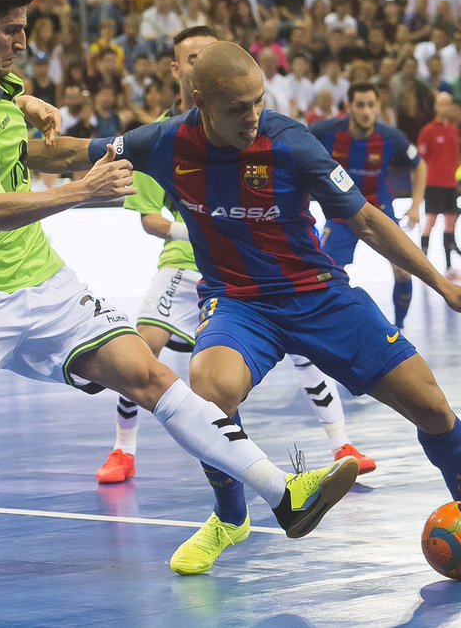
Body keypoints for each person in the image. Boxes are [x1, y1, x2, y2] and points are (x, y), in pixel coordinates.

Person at [0, 0, 358, 606]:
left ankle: (283, 496)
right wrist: (83, 191)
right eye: (11, 31)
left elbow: (13, 137)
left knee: (151, 376)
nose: (23, 42)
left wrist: (37, 110)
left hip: (45, 282)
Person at [75, 41, 461, 576]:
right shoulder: (166, 142)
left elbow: (366, 220)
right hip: (239, 303)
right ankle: (229, 518)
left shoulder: (291, 143)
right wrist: (9, 132)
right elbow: (72, 152)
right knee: (208, 391)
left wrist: (441, 285)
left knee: (433, 407)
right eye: (239, 107)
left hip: (318, 294)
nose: (253, 115)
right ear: (201, 101)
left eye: (259, 101)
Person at [94, 26, 376, 486]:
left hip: (251, 269)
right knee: (142, 347)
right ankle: (123, 450)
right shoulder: (157, 138)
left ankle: (342, 444)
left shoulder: (254, 127)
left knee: (303, 352)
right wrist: (205, 225)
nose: (201, 61)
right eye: (192, 58)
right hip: (184, 263)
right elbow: (149, 219)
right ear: (180, 71)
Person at [309, 82, 425, 329]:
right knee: (327, 275)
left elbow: (420, 165)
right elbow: (294, 151)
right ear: (348, 106)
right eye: (360, 105)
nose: (366, 111)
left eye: (371, 105)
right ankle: (330, 329)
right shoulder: (325, 132)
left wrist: (416, 205)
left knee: (403, 270)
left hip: (380, 210)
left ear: (378, 107)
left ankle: (399, 328)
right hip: (341, 213)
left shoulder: (391, 137)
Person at [417, 92, 461, 277]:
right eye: (443, 103)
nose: (446, 107)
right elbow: (421, 160)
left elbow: (456, 156)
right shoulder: (428, 131)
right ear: (436, 106)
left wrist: (456, 177)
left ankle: (449, 267)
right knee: (430, 222)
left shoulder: (453, 129)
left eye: (449, 103)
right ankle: (422, 267)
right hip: (434, 184)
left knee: (450, 224)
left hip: (450, 184)